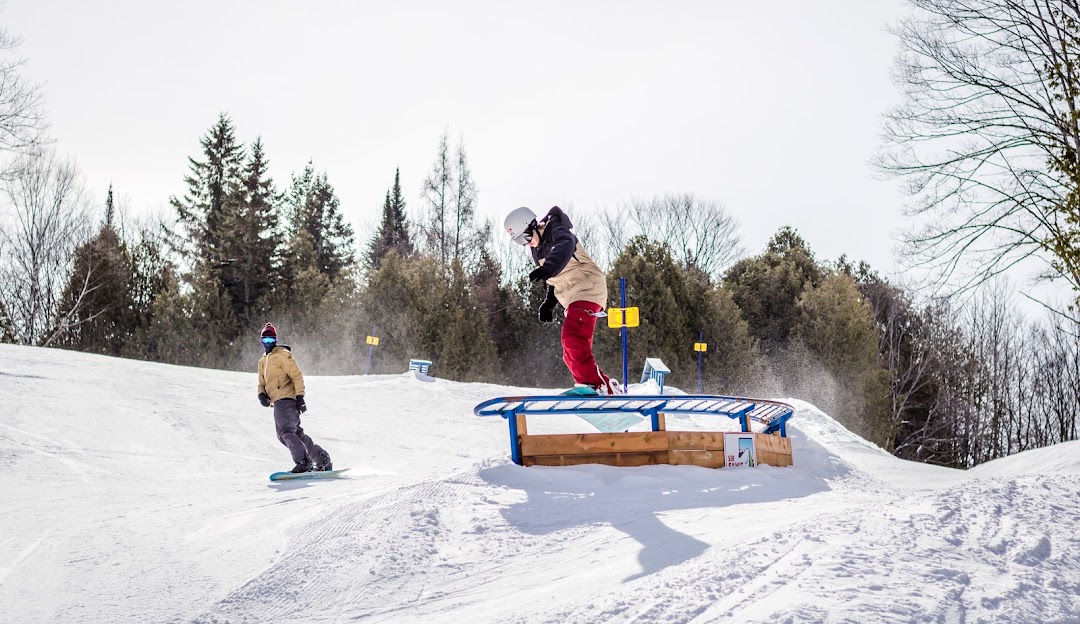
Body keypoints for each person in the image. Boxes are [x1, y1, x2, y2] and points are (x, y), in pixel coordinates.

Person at [504, 206, 624, 395]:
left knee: (573, 338)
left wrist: (547, 268)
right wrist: (549, 303)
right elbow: (555, 278)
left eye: (526, 238)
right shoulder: (536, 251)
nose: (527, 244)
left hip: (587, 286)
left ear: (533, 225)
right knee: (569, 353)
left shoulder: (556, 228)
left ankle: (602, 387)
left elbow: (564, 247)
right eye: (520, 242)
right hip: (572, 297)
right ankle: (592, 385)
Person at [257, 322, 333, 473]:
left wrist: (300, 397)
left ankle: (303, 462)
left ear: (276, 340)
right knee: (296, 433)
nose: (268, 343)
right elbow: (262, 383)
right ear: (261, 341)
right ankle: (322, 458)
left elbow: (296, 375)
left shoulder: (283, 355)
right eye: (265, 340)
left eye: (271, 340)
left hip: (286, 400)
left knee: (285, 433)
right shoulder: (263, 361)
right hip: (278, 402)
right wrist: (261, 395)